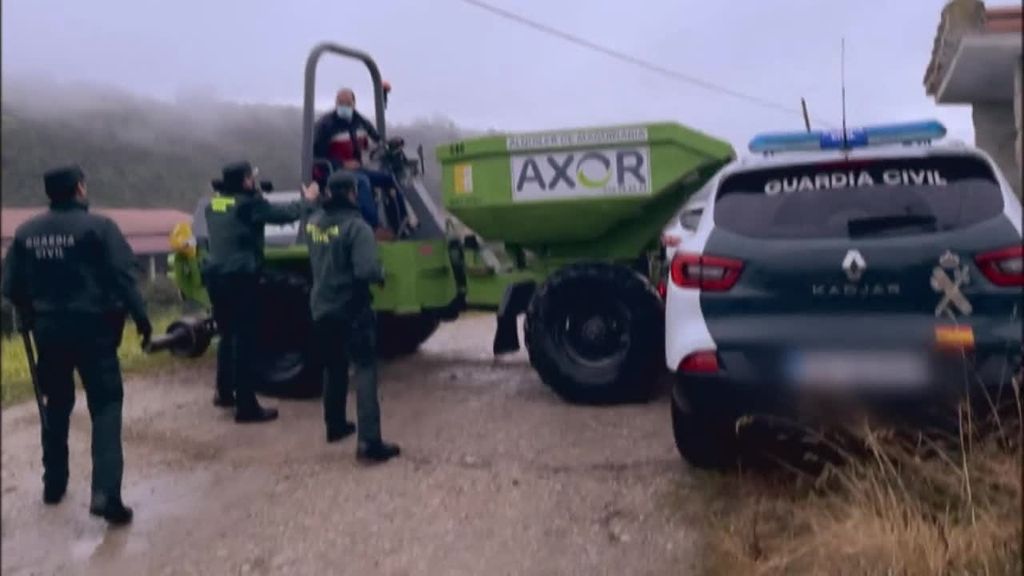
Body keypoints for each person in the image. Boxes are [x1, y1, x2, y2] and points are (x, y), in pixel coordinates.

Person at [1, 165, 152, 526]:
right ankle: (105, 495)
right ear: (80, 188)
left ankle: (53, 484)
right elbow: (124, 277)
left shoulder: (26, 233)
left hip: (49, 332)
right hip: (95, 331)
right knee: (106, 405)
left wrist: (31, 309)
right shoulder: (100, 228)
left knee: (56, 404)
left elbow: (10, 288)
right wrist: (142, 320)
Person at [202, 161, 319, 423]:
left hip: (216, 276)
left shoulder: (215, 204)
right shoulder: (249, 205)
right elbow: (286, 213)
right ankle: (247, 407)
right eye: (250, 178)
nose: (254, 181)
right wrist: (308, 199)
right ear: (245, 181)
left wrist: (253, 195)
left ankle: (224, 392)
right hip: (240, 277)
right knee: (246, 339)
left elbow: (234, 210)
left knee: (228, 333)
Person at [306, 171, 400, 463]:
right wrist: (382, 274)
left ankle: (335, 426)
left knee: (333, 366)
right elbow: (367, 270)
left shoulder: (314, 224)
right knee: (365, 369)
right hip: (352, 309)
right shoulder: (357, 227)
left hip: (322, 307)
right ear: (351, 193)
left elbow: (312, 216)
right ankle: (369, 444)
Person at [312, 88, 407, 238]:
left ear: (354, 104)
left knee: (389, 179)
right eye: (340, 103)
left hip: (355, 169)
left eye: (347, 103)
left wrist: (389, 144)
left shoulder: (360, 122)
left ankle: (401, 223)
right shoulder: (325, 125)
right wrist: (342, 164)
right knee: (362, 181)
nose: (343, 106)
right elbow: (315, 156)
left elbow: (376, 140)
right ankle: (373, 227)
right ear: (335, 103)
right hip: (331, 172)